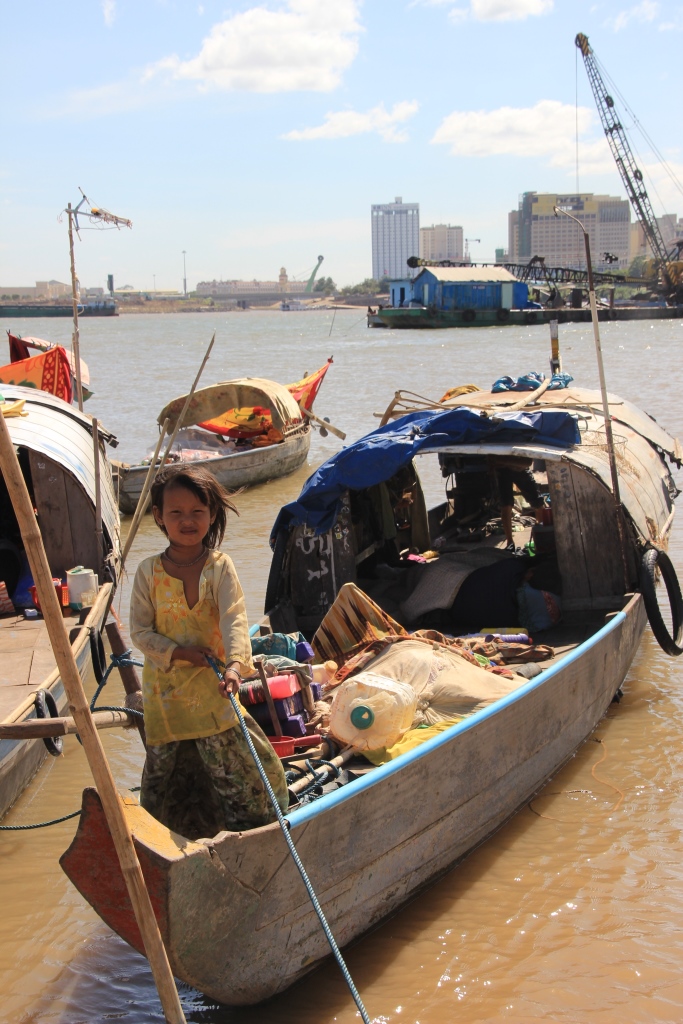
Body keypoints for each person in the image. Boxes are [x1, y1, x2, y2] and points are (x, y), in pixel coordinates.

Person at [130, 463, 288, 835]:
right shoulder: (148, 572)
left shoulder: (220, 567)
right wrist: (180, 654)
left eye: (197, 512)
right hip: (165, 699)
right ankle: (163, 846)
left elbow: (234, 619)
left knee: (242, 782)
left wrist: (235, 666)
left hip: (214, 690)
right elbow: (140, 632)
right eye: (176, 513)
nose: (188, 521)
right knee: (163, 785)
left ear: (212, 514)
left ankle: (252, 838)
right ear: (159, 517)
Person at [489, 456, 544, 552]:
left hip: (518, 469)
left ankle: (541, 535)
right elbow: (492, 461)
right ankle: (510, 542)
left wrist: (504, 461)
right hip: (506, 470)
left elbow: (527, 462)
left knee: (537, 503)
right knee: (505, 505)